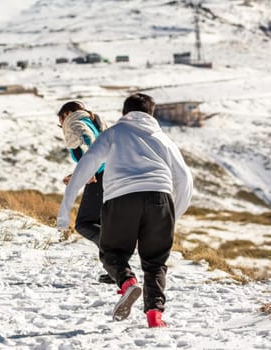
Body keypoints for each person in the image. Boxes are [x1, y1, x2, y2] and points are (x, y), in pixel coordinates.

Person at [57, 93, 193, 328]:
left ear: (124, 114)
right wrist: (172, 216)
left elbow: (86, 166)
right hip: (159, 198)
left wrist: (64, 212)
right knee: (155, 262)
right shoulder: (163, 139)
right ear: (151, 114)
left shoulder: (113, 133)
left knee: (112, 252)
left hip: (121, 199)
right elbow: (184, 179)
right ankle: (154, 316)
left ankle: (127, 282)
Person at [56, 100, 114, 284]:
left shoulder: (74, 122)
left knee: (84, 224)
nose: (61, 127)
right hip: (110, 173)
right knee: (100, 223)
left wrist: (90, 168)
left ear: (67, 114)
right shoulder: (95, 121)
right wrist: (77, 174)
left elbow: (90, 142)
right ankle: (115, 270)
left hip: (99, 175)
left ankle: (117, 260)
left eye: (60, 122)